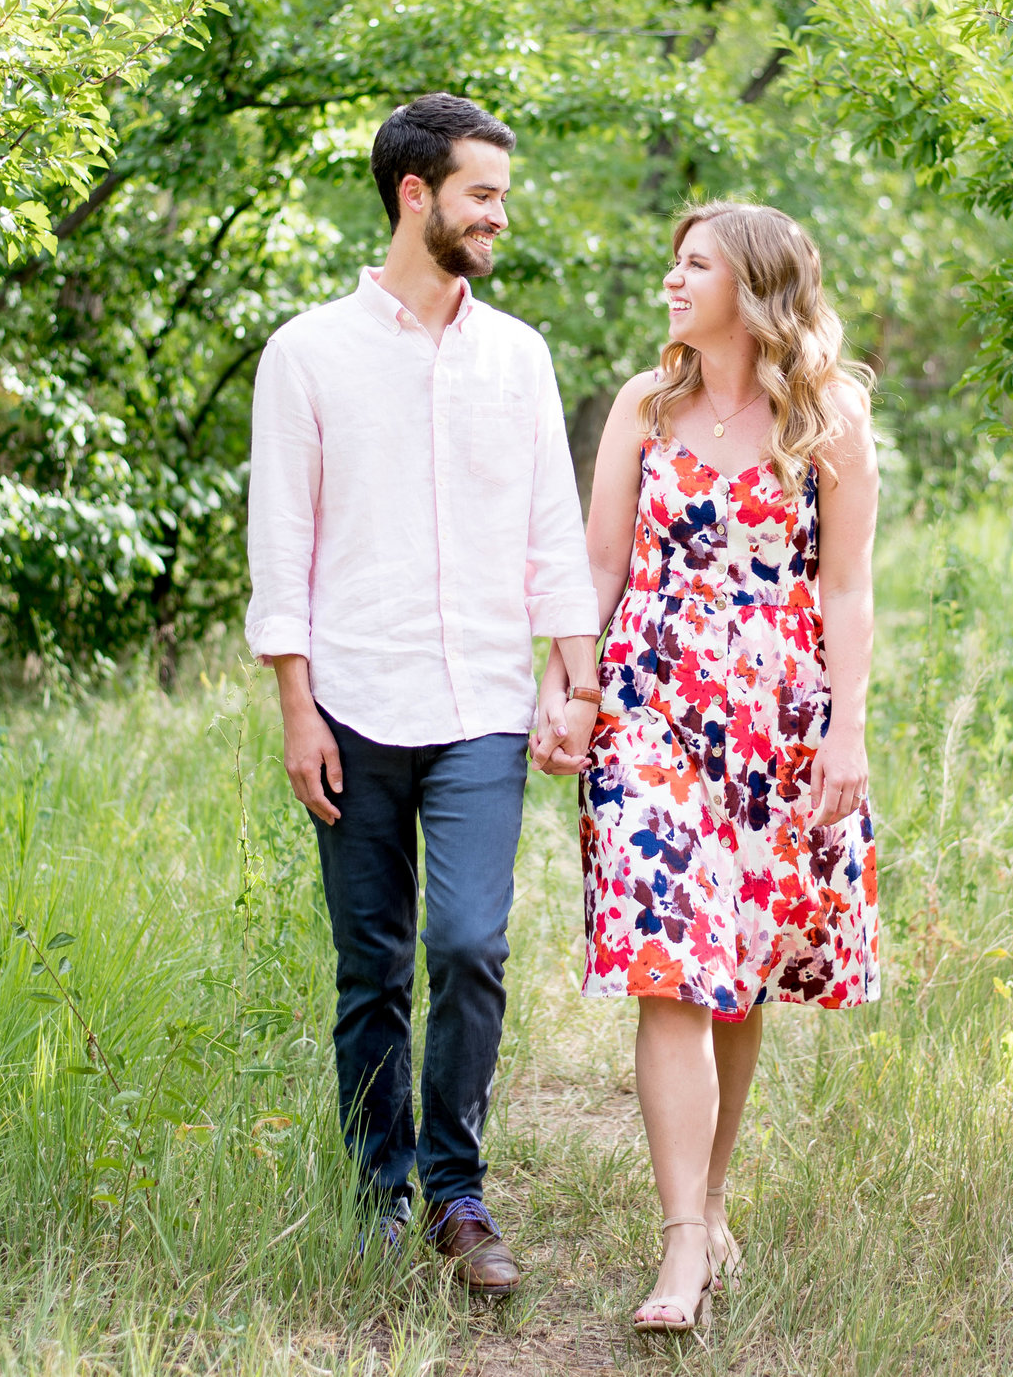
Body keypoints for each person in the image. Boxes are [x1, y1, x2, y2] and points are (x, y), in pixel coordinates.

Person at [245, 93, 603, 1294]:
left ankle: (457, 1190)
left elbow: (553, 529)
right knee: (370, 963)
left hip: (484, 708)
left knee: (466, 946)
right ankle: (375, 1194)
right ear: (417, 196)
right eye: (483, 194)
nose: (500, 215)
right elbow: (280, 544)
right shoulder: (307, 352)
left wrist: (575, 681)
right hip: (351, 699)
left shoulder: (519, 354)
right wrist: (296, 709)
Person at [532, 200, 882, 1334]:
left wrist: (847, 730)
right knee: (666, 962)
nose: (673, 282)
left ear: (755, 284)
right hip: (648, 705)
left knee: (733, 965)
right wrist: (566, 686)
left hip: (776, 717)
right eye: (674, 262)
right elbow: (592, 567)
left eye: (695, 265)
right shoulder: (646, 402)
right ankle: (682, 1239)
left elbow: (846, 589)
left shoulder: (826, 415)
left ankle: (712, 1196)